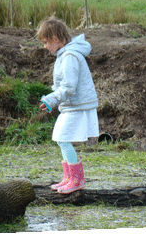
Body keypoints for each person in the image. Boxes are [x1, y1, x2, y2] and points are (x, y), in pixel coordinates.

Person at [36, 16, 99, 194]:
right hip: (71, 106)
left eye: (46, 42)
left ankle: (77, 180)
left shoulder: (70, 56)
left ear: (55, 39)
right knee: (61, 139)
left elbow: (69, 87)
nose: (45, 46)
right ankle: (69, 178)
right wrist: (52, 100)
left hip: (77, 106)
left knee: (62, 138)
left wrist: (51, 99)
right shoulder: (64, 55)